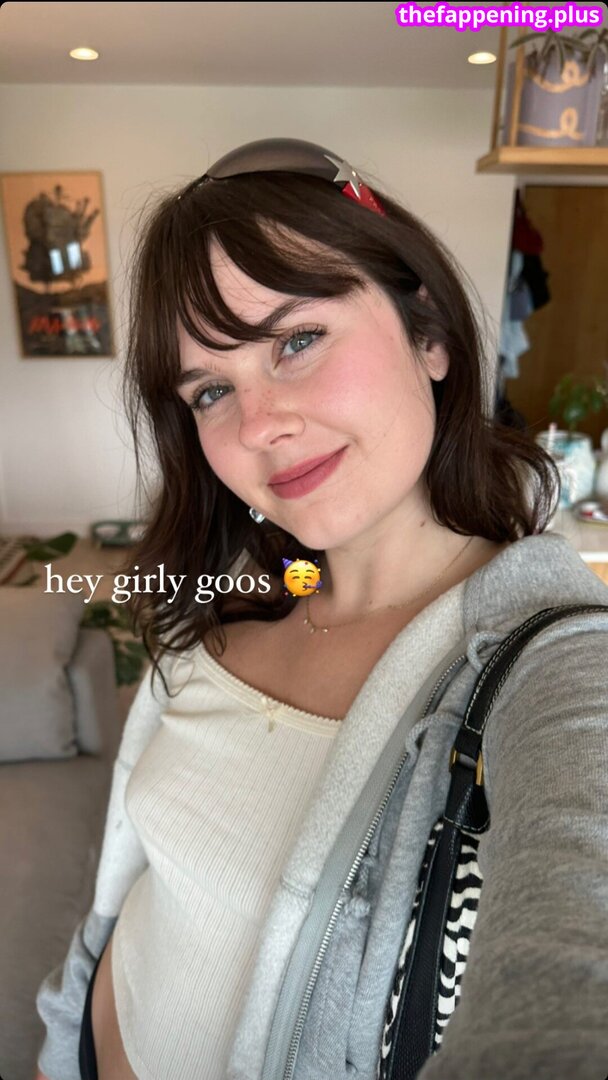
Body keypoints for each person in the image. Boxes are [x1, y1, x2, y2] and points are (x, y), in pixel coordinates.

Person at [34, 138, 608, 1080]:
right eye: (211, 390)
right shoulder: (223, 617)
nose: (260, 425)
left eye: (296, 340)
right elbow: (133, 886)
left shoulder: (552, 664)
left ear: (431, 336)